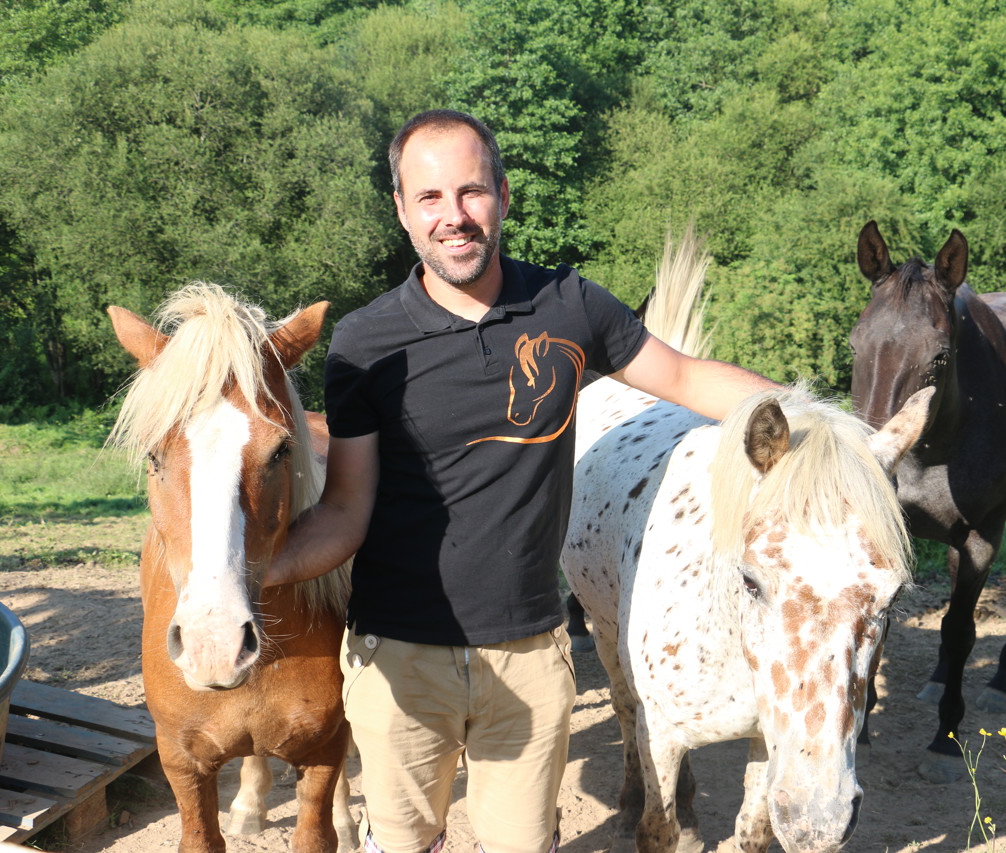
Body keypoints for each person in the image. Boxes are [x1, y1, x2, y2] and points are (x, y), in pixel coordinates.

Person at [264, 109, 779, 853]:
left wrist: (814, 424)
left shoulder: (568, 306)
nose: (455, 216)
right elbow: (346, 509)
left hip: (532, 653)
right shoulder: (363, 344)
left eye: (471, 192)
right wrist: (260, 571)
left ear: (503, 195)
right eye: (431, 198)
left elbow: (687, 377)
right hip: (399, 659)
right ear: (403, 211)